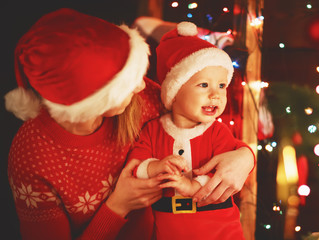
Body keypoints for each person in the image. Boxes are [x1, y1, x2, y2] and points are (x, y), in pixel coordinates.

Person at [5, 9, 254, 240]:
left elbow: (196, 123)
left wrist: (245, 156)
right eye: (126, 83)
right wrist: (119, 205)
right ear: (92, 99)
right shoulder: (33, 157)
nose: (141, 85)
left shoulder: (142, 100)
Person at [128, 22, 253, 240]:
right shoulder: (153, 130)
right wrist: (157, 166)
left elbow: (226, 173)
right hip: (169, 227)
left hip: (219, 227)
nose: (216, 95)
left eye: (222, 86)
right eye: (204, 85)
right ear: (174, 92)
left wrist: (192, 185)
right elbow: (136, 166)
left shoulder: (217, 132)